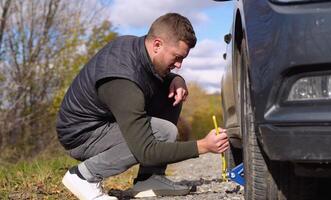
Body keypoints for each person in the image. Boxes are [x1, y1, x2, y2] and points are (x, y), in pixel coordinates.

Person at [56, 13, 229, 200]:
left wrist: (176, 79)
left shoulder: (138, 49)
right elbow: (146, 151)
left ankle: (149, 178)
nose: (179, 65)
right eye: (177, 57)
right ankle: (83, 176)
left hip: (104, 121)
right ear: (157, 44)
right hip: (81, 134)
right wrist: (203, 146)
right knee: (162, 133)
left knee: (171, 95)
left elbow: (147, 73)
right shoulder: (122, 81)